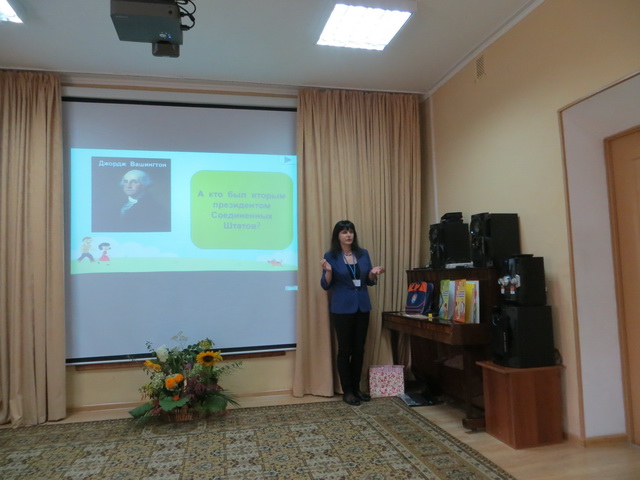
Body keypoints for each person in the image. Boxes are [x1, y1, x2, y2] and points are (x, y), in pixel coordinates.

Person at [321, 220, 385, 406]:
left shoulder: (363, 254)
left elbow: (369, 281)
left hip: (362, 306)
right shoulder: (330, 256)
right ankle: (347, 391)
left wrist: (374, 273)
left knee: (359, 349)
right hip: (342, 308)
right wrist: (328, 271)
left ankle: (357, 388)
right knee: (345, 349)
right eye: (344, 232)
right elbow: (325, 285)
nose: (348, 235)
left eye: (350, 232)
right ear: (338, 236)